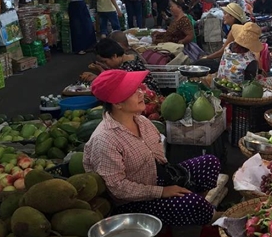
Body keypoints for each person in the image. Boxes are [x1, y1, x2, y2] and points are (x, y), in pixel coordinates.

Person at [83, 70, 220, 226]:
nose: (141, 93)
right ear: (117, 103)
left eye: (138, 88)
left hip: (158, 177)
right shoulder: (105, 140)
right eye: (133, 91)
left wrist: (171, 182)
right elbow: (117, 188)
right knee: (192, 204)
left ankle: (196, 215)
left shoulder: (141, 121)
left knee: (210, 163)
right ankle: (201, 214)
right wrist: (161, 192)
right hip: (132, 203)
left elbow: (159, 159)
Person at [80, 39, 161, 93]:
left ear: (114, 56)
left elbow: (117, 87)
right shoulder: (131, 56)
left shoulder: (128, 67)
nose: (105, 64)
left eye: (105, 61)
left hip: (148, 98)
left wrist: (98, 77)